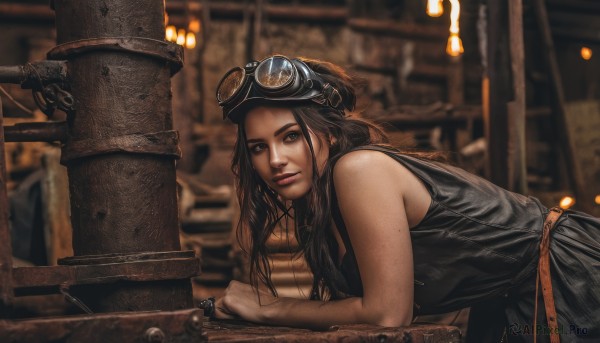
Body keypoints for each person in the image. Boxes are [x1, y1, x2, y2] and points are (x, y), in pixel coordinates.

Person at [210, 55, 600, 342]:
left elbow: (387, 314)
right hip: (506, 302)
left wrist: (271, 307)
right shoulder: (318, 205)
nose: (275, 160)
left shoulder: (358, 170)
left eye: (291, 136)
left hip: (570, 280)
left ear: (328, 132)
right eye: (258, 147)